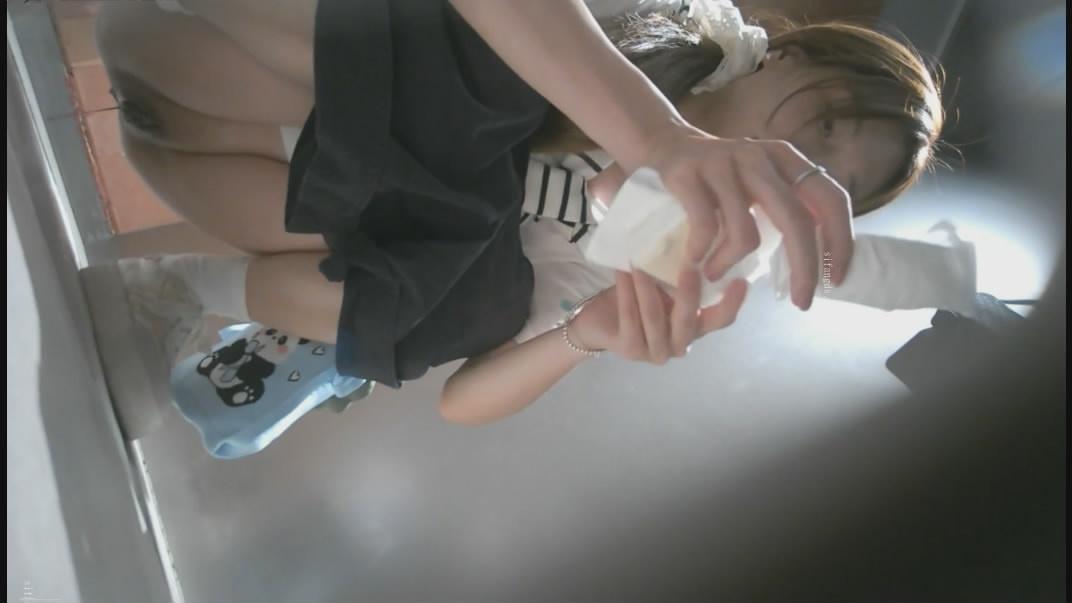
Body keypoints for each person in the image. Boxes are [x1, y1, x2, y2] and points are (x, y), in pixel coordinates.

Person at [95, 1, 943, 429]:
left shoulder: (672, 247)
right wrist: (658, 136)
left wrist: (586, 335)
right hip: (203, 31)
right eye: (824, 126)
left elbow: (463, 398)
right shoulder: (669, 20)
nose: (793, 158)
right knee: (487, 80)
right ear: (787, 53)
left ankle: (177, 290)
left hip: (210, 154)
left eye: (827, 179)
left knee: (478, 291)